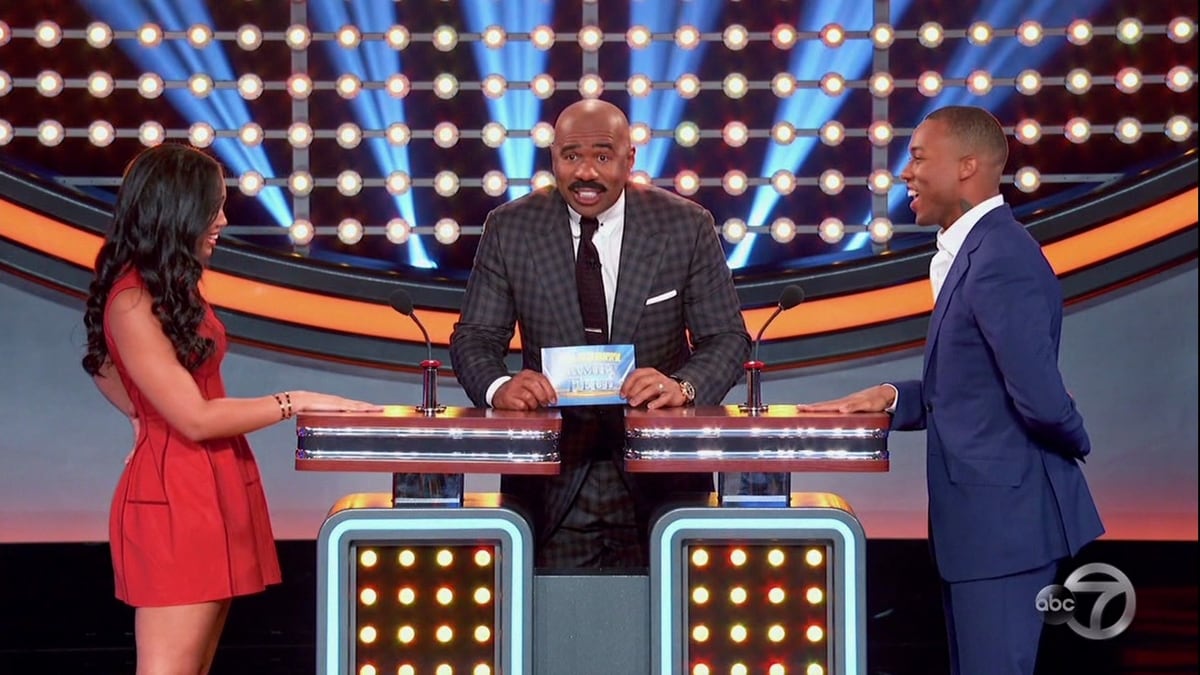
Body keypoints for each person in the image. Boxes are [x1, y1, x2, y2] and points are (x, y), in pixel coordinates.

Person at [798, 105, 1103, 675]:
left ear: (967, 166)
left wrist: (1073, 438)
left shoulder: (1000, 258)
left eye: (917, 158)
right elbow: (973, 386)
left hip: (1005, 524)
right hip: (979, 527)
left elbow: (1036, 395)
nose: (904, 174)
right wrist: (891, 397)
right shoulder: (972, 253)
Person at [81, 143, 379, 674]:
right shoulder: (131, 300)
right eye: (212, 206)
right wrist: (297, 400)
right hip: (176, 499)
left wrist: (142, 414)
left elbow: (107, 368)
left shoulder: (167, 287)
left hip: (212, 481)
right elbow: (195, 417)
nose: (222, 219)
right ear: (177, 209)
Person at [450, 98, 750, 569]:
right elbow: (474, 338)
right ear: (553, 160)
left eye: (602, 156)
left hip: (659, 476)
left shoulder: (685, 226)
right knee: (556, 633)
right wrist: (500, 386)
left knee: (665, 634)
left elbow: (728, 339)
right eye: (571, 157)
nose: (585, 172)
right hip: (553, 477)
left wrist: (681, 387)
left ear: (630, 160)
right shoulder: (511, 228)